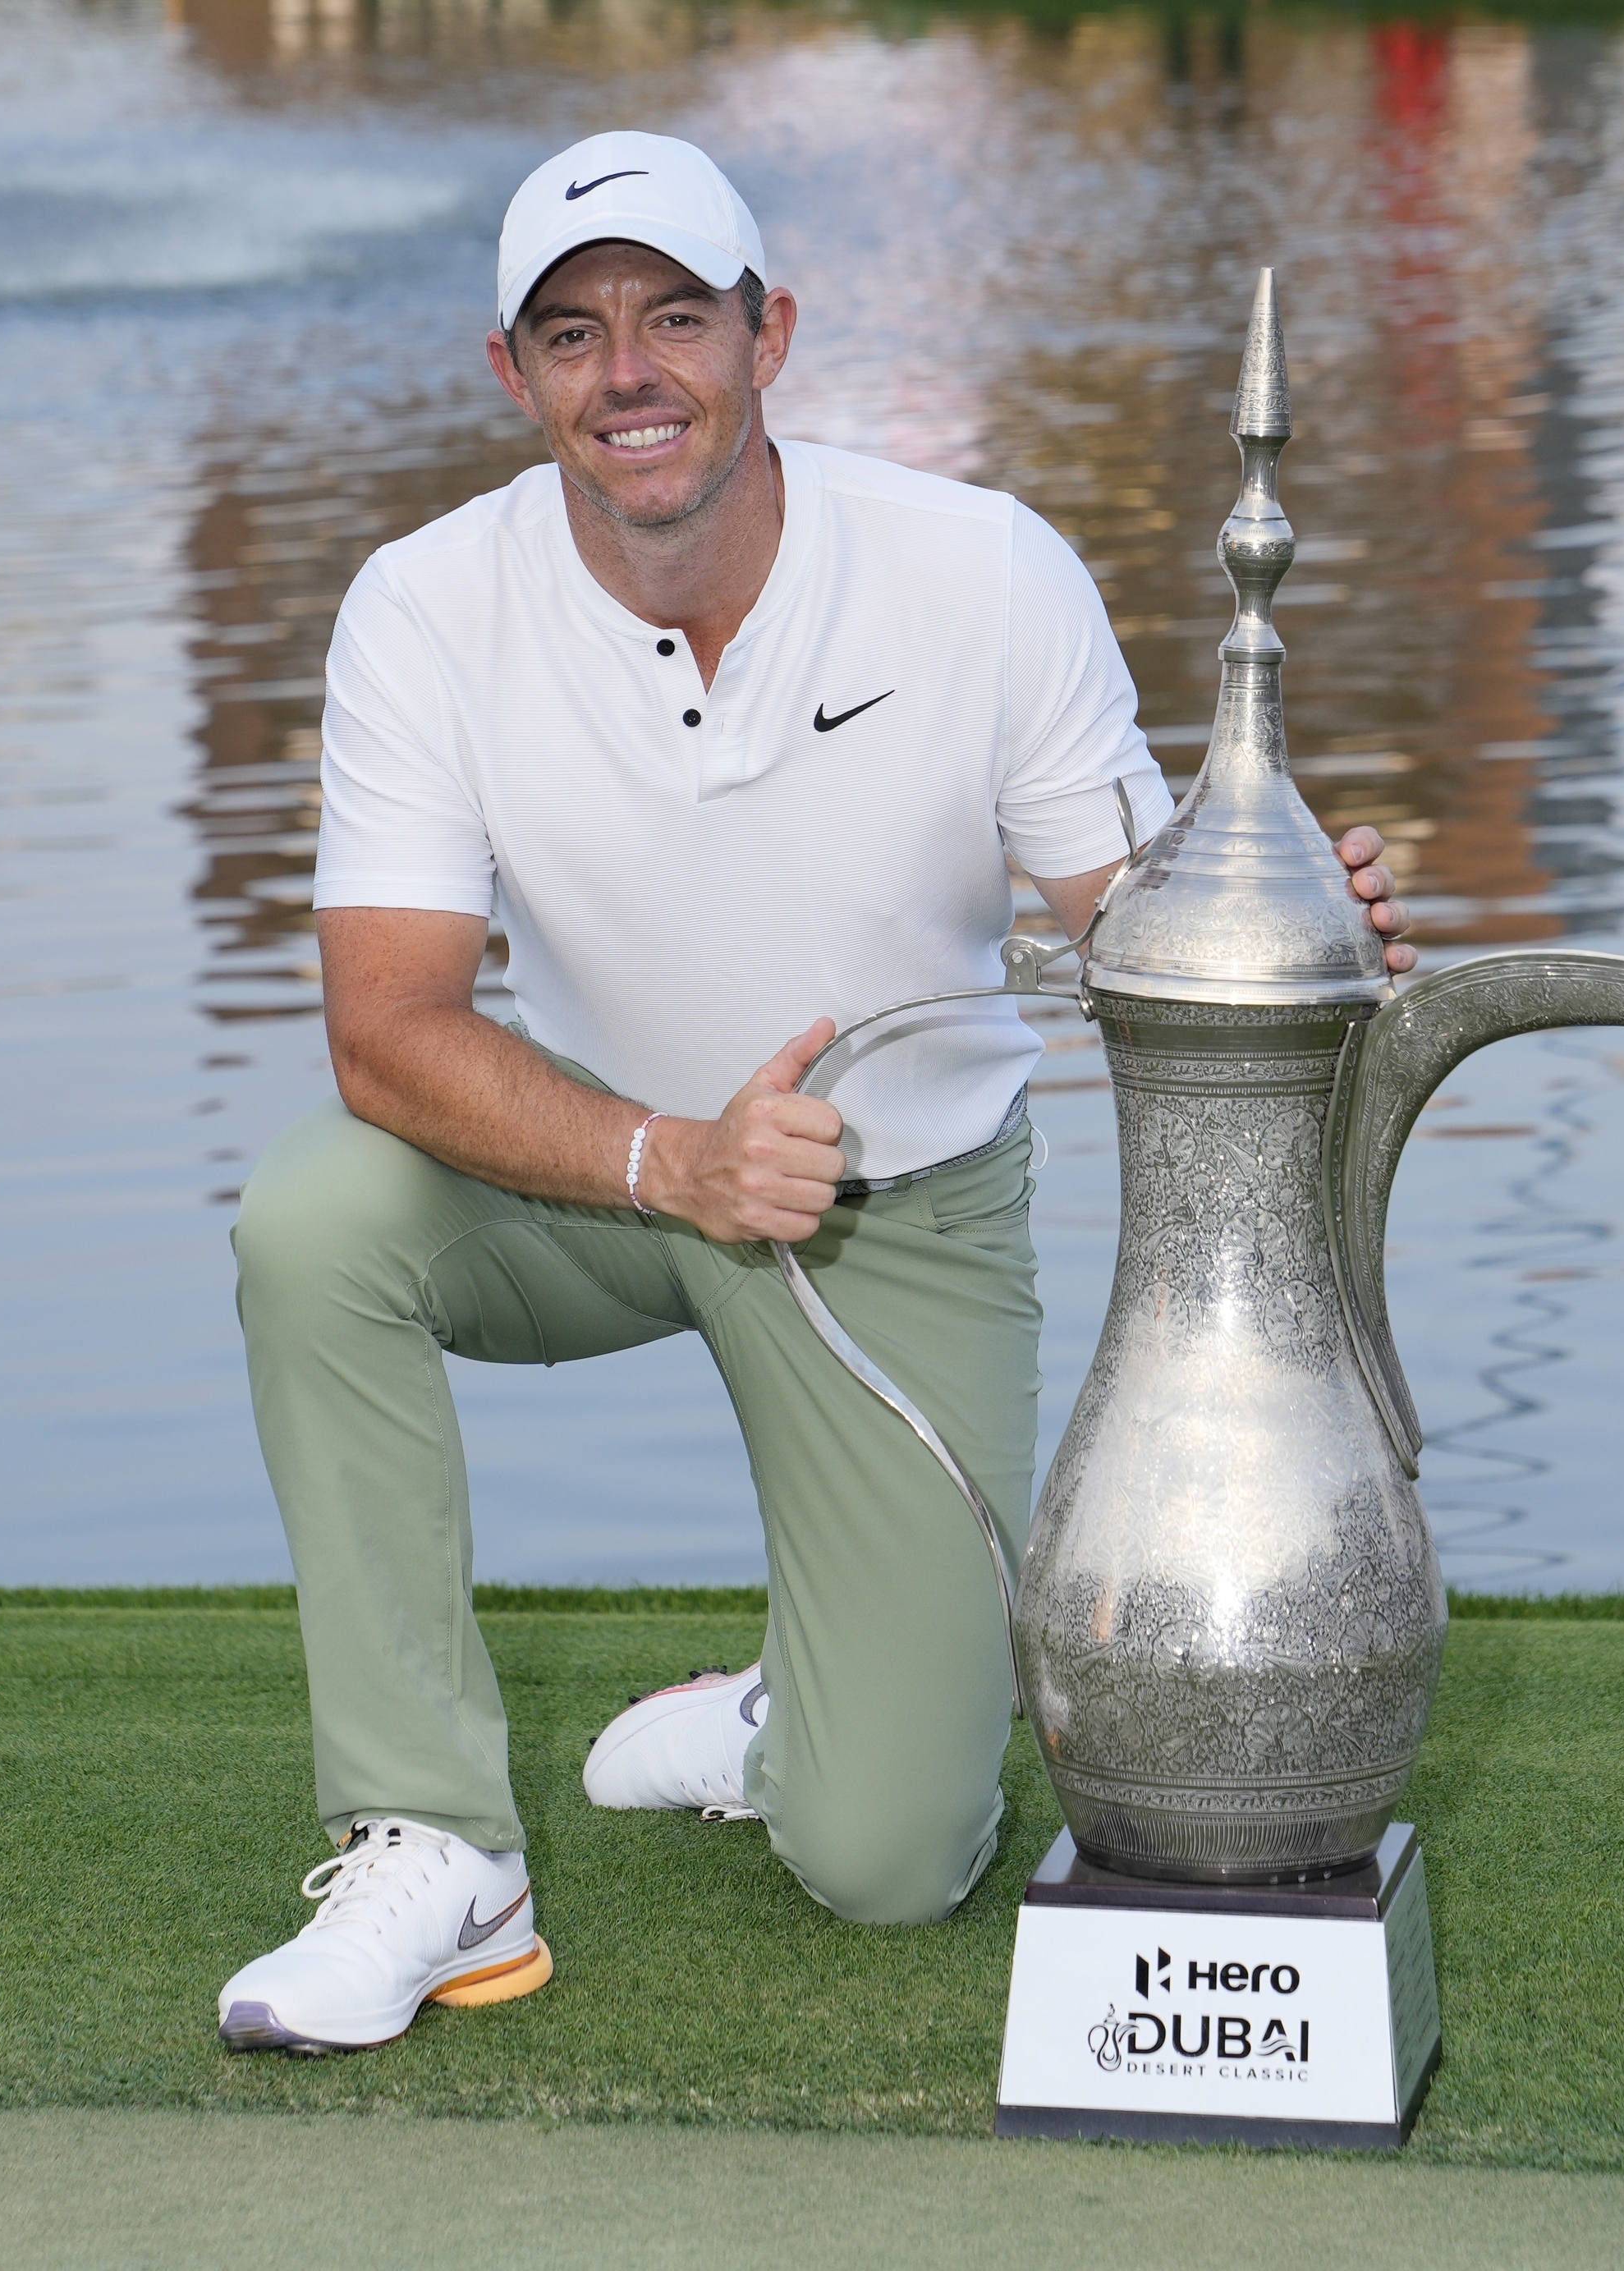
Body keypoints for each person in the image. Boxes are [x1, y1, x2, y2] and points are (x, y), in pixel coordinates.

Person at [213, 131, 1415, 2055]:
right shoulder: (421, 608)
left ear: (770, 333)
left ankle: (800, 1714)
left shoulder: (978, 568)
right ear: (507, 374)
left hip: (892, 1207)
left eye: (675, 318)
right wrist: (662, 1160)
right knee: (313, 1218)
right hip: (598, 1179)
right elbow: (388, 1030)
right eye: (574, 333)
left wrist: (1272, 922)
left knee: (890, 1859)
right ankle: (435, 1848)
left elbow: (1127, 921)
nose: (629, 375)